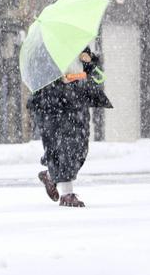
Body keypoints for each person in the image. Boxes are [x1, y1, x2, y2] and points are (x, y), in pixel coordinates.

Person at [29, 47, 112, 208]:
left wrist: (89, 59)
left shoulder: (76, 43)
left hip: (77, 100)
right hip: (52, 104)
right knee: (62, 147)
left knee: (80, 148)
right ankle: (67, 194)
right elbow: (38, 75)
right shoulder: (43, 47)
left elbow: (95, 72)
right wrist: (57, 80)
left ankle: (50, 176)